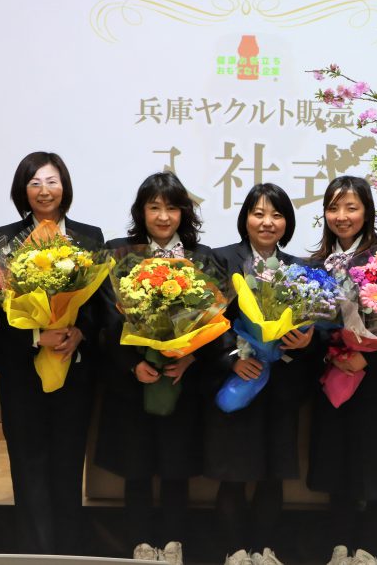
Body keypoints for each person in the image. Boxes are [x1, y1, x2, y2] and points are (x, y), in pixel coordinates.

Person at [0, 152, 105, 554]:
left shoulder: (89, 237)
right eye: (34, 183)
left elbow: (99, 306)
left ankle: (67, 552)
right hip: (22, 370)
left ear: (64, 187)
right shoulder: (6, 238)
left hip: (74, 369)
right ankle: (34, 552)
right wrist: (38, 336)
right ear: (23, 190)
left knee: (68, 464)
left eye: (52, 181)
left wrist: (79, 332)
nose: (44, 190)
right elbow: (1, 308)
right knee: (27, 464)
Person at [94, 171, 213, 564]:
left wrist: (190, 357)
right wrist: (133, 365)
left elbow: (217, 324)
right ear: (141, 212)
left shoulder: (202, 258)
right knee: (137, 467)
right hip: (133, 382)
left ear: (184, 213)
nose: (163, 216)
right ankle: (140, 543)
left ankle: (175, 543)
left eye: (172, 208)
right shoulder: (119, 254)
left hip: (181, 380)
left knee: (176, 468)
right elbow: (107, 321)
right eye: (154, 207)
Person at [204, 183, 315, 558]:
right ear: (245, 219)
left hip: (281, 386)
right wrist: (234, 356)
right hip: (239, 381)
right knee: (234, 474)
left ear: (287, 222)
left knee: (273, 474)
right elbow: (206, 321)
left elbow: (312, 324)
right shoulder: (221, 260)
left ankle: (263, 551)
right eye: (259, 213)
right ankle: (235, 552)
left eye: (277, 215)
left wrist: (305, 340)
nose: (268, 222)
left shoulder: (300, 269)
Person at [305, 175, 377, 562]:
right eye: (333, 208)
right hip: (335, 375)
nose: (341, 216)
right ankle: (339, 547)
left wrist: (368, 356)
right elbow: (309, 322)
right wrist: (331, 352)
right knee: (338, 463)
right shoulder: (315, 266)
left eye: (351, 207)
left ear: (367, 212)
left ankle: (369, 550)